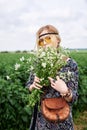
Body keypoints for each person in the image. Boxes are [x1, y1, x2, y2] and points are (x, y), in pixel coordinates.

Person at [26, 25, 79, 130]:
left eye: (48, 38)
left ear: (58, 40)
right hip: (41, 121)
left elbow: (74, 99)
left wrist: (65, 91)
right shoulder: (38, 63)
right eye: (41, 41)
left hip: (62, 121)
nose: (44, 43)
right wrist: (33, 86)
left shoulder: (70, 64)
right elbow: (28, 86)